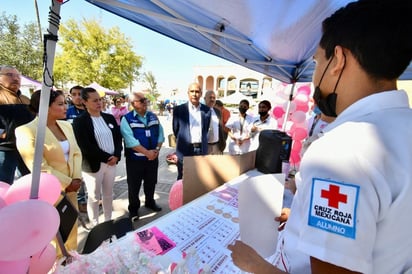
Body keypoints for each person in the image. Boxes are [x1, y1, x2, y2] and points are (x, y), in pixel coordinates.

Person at [228, 0, 412, 273]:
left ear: (338, 59)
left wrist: (255, 264)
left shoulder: (342, 151)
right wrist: (303, 217)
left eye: (317, 62)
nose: (315, 80)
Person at [15, 89, 82, 258]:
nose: (65, 107)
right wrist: (66, 183)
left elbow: (76, 153)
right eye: (60, 104)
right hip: (50, 190)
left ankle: (72, 260)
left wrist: (76, 179)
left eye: (65, 103)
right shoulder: (26, 131)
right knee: (55, 233)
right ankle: (56, 264)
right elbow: (38, 166)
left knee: (72, 226)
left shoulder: (66, 125)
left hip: (72, 187)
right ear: (45, 106)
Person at [72, 87, 123, 227]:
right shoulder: (80, 121)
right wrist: (108, 157)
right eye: (95, 100)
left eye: (100, 99)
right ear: (85, 102)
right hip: (94, 165)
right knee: (94, 197)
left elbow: (118, 138)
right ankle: (95, 225)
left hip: (112, 163)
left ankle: (108, 221)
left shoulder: (109, 117)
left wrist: (117, 155)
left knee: (108, 194)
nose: (99, 103)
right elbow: (86, 146)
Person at [120, 91, 165, 221]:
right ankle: (133, 209)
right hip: (135, 160)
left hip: (152, 158)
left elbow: (160, 135)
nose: (146, 102)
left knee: (151, 182)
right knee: (134, 185)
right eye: (142, 100)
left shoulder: (153, 117)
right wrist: (147, 153)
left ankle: (150, 202)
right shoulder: (127, 119)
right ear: (133, 104)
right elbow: (130, 141)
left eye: (145, 99)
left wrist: (156, 150)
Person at [0, 65, 34, 184]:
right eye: (9, 75)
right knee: (3, 185)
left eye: (17, 76)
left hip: (25, 148)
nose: (15, 78)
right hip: (5, 149)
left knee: (28, 184)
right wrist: (3, 134)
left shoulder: (24, 98)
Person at [172, 82, 211, 180]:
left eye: (197, 91)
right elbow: (176, 129)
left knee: (199, 177)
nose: (194, 94)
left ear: (201, 94)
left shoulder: (207, 110)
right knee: (183, 177)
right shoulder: (179, 110)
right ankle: (181, 195)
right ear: (188, 93)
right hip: (184, 149)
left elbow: (205, 129)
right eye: (192, 91)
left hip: (200, 149)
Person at [204, 90, 226, 154]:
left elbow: (220, 128)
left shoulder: (218, 111)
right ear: (205, 98)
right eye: (210, 97)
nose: (212, 99)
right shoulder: (200, 111)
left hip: (217, 146)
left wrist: (223, 144)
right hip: (205, 147)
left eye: (214, 98)